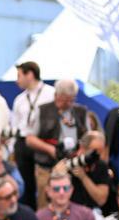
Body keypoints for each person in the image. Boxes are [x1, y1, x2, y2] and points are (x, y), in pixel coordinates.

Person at [26, 79, 88, 208]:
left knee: (71, 206)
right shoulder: (42, 110)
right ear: (56, 95)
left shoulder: (81, 112)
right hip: (46, 167)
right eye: (64, 100)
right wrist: (49, 149)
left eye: (71, 100)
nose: (68, 104)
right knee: (44, 205)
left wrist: (83, 150)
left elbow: (89, 138)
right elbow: (30, 139)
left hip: (72, 168)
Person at [9, 61, 55, 209]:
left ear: (30, 74)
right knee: (26, 184)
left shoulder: (51, 93)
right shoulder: (19, 100)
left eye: (19, 75)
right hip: (22, 143)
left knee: (45, 183)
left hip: (43, 142)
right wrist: (12, 150)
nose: (17, 80)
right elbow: (15, 126)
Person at [49, 130, 111, 211]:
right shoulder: (68, 161)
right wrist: (60, 172)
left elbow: (101, 200)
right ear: (82, 148)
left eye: (100, 152)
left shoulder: (101, 165)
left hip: (92, 211)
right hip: (68, 210)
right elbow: (52, 193)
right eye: (95, 152)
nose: (98, 156)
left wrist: (83, 177)